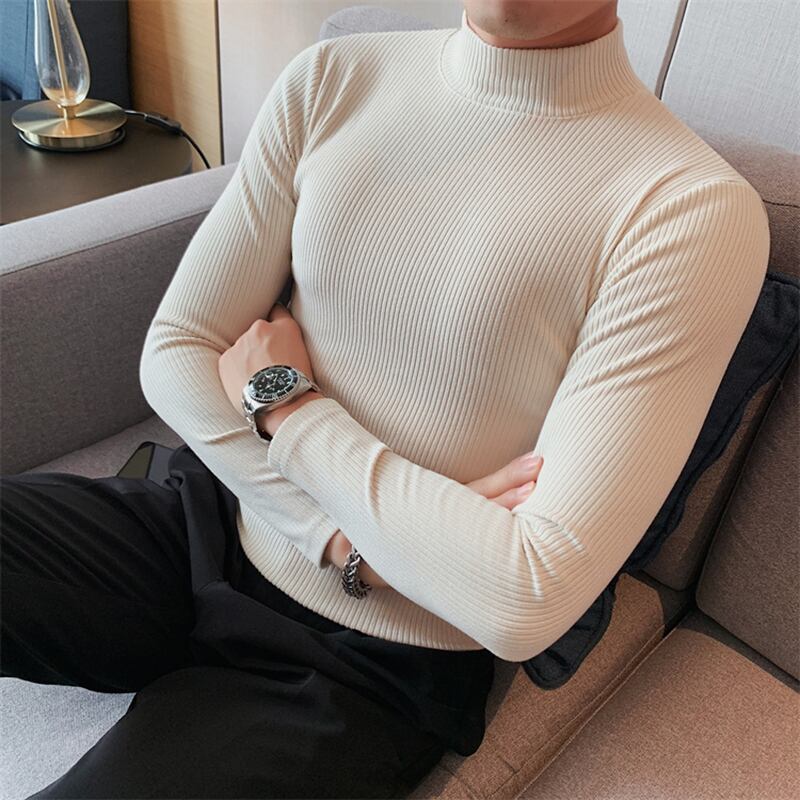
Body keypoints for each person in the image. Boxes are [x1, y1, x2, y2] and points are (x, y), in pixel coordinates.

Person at [0, 0, 770, 797]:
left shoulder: (689, 209)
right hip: (207, 518)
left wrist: (287, 408)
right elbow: (177, 348)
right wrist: (343, 542)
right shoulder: (333, 78)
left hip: (372, 664)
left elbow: (522, 598)